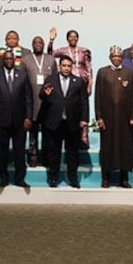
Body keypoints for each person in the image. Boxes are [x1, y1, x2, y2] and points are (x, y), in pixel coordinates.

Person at [40, 56, 89, 188]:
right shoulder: (50, 79)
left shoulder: (78, 81)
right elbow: (41, 96)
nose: (66, 68)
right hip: (54, 122)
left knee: (72, 153)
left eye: (69, 66)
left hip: (72, 123)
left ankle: (73, 179)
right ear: (59, 66)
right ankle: (53, 178)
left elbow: (84, 101)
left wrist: (84, 119)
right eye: (64, 65)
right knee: (54, 152)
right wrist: (45, 94)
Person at [0, 51, 33, 188]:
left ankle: (20, 179)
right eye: (6, 59)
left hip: (20, 121)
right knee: (2, 152)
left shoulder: (23, 75)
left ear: (14, 60)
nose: (8, 61)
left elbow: (28, 98)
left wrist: (28, 117)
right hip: (1, 121)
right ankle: (3, 179)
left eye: (10, 59)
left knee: (19, 152)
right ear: (3, 60)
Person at [94, 46, 133, 188]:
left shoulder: (129, 72)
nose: (116, 58)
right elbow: (98, 96)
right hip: (107, 118)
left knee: (125, 147)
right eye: (114, 56)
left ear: (122, 58)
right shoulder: (102, 72)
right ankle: (105, 178)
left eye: (119, 56)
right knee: (107, 147)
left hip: (124, 118)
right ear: (110, 57)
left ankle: (124, 179)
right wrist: (99, 116)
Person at [47, 27, 92, 148]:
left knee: (82, 109)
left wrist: (90, 83)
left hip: (81, 82)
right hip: (67, 83)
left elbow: (89, 67)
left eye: (75, 36)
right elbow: (50, 54)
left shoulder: (84, 51)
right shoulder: (63, 51)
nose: (73, 38)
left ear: (78, 38)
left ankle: (83, 139)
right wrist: (51, 40)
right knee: (70, 110)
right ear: (67, 39)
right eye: (70, 37)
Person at [22, 35, 58, 167]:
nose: (38, 45)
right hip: (32, 103)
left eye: (40, 43)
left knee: (48, 134)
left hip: (48, 104)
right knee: (33, 134)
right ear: (32, 45)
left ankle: (46, 158)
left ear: (43, 45)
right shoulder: (26, 60)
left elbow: (56, 80)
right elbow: (22, 81)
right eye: (35, 43)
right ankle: (33, 158)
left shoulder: (51, 60)